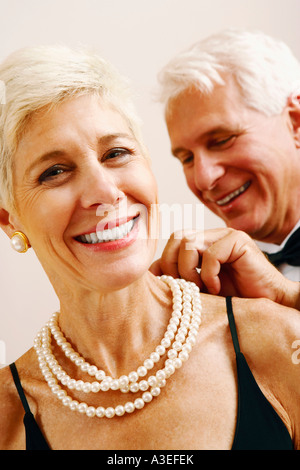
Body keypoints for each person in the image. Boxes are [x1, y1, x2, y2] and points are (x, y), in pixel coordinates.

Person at [0, 45, 299, 451]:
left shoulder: (278, 341)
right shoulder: (6, 412)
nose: (104, 192)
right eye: (55, 171)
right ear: (9, 219)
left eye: (116, 153)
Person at [154, 29, 300, 287]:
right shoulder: (212, 290)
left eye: (222, 140)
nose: (204, 179)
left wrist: (285, 296)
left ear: (295, 122)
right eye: (186, 159)